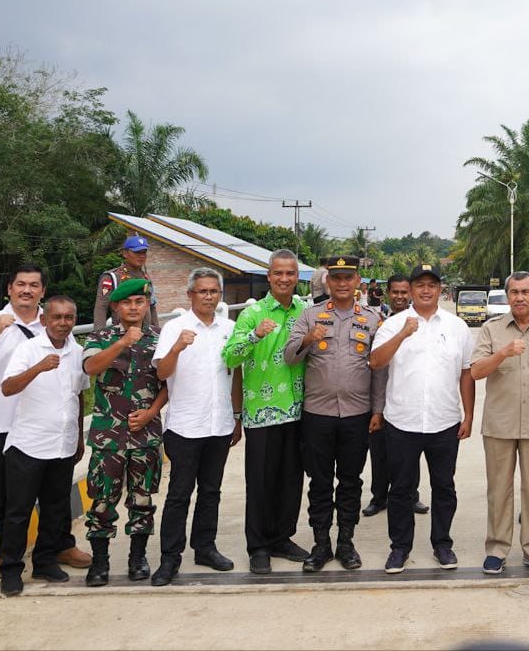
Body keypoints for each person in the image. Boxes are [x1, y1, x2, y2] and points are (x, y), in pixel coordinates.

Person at [0, 264, 89, 579]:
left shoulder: (55, 325)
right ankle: (5, 557)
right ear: (9, 289)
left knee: (55, 491)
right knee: (5, 493)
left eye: (34, 285)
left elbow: (76, 381)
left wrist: (77, 432)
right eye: (21, 284)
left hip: (46, 424)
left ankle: (60, 545)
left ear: (42, 292)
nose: (27, 290)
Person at [369, 262, 476, 574]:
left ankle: (442, 544)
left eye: (432, 285)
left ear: (440, 290)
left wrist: (468, 415)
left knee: (444, 487)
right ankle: (399, 548)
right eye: (420, 285)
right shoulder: (393, 324)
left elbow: (466, 373)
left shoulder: (457, 327)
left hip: (444, 421)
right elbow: (375, 362)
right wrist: (403, 333)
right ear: (411, 290)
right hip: (402, 422)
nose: (426, 290)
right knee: (401, 489)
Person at [283, 256, 385, 572]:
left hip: (357, 414)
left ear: (357, 282)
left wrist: (378, 409)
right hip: (318, 415)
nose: (342, 284)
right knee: (320, 482)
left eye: (348, 278)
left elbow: (379, 369)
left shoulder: (372, 318)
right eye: (336, 278)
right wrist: (307, 340)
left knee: (351, 481)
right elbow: (288, 358)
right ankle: (321, 544)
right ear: (328, 282)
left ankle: (346, 543)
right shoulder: (310, 316)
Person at [471, 271, 529, 575]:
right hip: (500, 425)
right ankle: (497, 548)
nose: (520, 297)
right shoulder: (490, 330)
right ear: (507, 296)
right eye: (514, 292)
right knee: (498, 489)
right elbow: (476, 372)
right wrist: (503, 352)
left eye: (526, 292)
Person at [149, 268, 240, 586]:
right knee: (178, 495)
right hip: (185, 427)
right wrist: (176, 348)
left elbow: (235, 374)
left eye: (214, 291)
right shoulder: (175, 328)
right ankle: (169, 559)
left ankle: (205, 548)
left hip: (219, 424)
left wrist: (237, 416)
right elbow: (161, 373)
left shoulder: (230, 328)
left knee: (211, 492)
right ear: (190, 295)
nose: (209, 297)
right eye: (202, 291)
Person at [221, 250, 310, 574]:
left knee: (290, 481)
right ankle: (258, 545)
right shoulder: (252, 313)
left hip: (299, 410)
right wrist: (254, 336)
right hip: (261, 412)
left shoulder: (306, 310)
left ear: (296, 276)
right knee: (260, 482)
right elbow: (230, 357)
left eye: (290, 273)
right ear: (269, 277)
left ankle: (282, 538)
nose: (284, 279)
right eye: (278, 273)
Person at [0, 295, 88, 596]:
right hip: (28, 445)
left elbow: (79, 396)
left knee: (55, 509)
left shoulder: (78, 351)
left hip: (62, 445)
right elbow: (7, 388)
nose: (63, 323)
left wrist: (79, 437)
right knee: (18, 512)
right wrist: (37, 368)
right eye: (57, 317)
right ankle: (11, 570)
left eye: (69, 317)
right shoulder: (29, 349)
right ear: (46, 319)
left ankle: (45, 561)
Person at [81, 278, 167, 586]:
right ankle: (100, 563)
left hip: (145, 434)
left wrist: (151, 413)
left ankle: (137, 558)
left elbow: (168, 383)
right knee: (103, 500)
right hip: (109, 436)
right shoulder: (100, 336)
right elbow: (90, 368)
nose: (133, 307)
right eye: (127, 303)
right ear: (116, 306)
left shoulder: (160, 337)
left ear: (146, 305)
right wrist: (121, 343)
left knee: (142, 499)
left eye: (139, 302)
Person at [362, 274, 428, 517]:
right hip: (381, 396)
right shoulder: (376, 322)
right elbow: (374, 366)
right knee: (379, 452)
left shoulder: (421, 322)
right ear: (387, 293)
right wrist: (376, 408)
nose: (400, 296)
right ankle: (379, 497)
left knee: (411, 454)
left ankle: (412, 496)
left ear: (410, 292)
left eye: (404, 292)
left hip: (409, 398)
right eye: (395, 292)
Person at [92, 235, 160, 329]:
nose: (141, 256)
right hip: (121, 334)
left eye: (144, 252)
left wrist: (157, 331)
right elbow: (101, 308)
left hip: (145, 335)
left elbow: (152, 306)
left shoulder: (146, 278)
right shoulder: (112, 278)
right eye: (137, 252)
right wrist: (99, 336)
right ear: (125, 253)